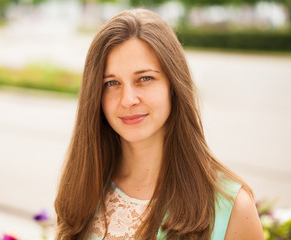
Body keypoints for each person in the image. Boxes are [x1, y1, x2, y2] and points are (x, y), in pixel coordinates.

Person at [54, 8, 264, 240]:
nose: (128, 100)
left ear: (173, 84)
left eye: (145, 79)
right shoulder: (83, 190)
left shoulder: (232, 208)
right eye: (112, 83)